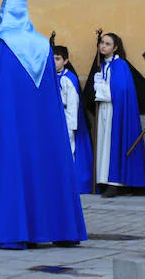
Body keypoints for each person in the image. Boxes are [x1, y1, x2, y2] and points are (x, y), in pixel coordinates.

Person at [0, 0, 86, 249]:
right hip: (44, 127)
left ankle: (13, 232)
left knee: (13, 169)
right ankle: (58, 229)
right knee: (48, 164)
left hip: (11, 128)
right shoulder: (42, 44)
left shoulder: (0, 45)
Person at [93, 33, 145, 197]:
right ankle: (104, 179)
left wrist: (100, 86)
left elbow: (120, 90)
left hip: (115, 110)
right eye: (102, 43)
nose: (103, 46)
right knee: (105, 145)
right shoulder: (104, 65)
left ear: (116, 47)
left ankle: (115, 182)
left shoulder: (120, 65)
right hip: (105, 110)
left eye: (108, 44)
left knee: (114, 143)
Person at [54, 45, 94, 194]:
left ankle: (68, 184)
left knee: (68, 151)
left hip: (66, 119)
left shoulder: (68, 79)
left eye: (57, 59)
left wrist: (71, 127)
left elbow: (72, 105)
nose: (54, 62)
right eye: (51, 58)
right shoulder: (50, 77)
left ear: (65, 61)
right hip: (54, 120)